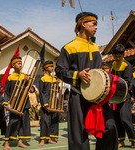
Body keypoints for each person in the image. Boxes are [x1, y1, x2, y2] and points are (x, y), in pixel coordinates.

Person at [55, 12, 118, 150]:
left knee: (109, 127)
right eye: (93, 24)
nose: (96, 27)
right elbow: (59, 70)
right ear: (83, 24)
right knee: (79, 134)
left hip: (98, 96)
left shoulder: (95, 47)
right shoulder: (69, 47)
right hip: (78, 95)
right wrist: (77, 74)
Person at [2, 57, 31, 150]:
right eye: (18, 63)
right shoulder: (10, 77)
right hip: (15, 104)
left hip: (25, 103)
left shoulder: (25, 76)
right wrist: (5, 102)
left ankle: (20, 142)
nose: (20, 64)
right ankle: (6, 143)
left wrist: (27, 81)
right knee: (13, 122)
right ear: (13, 65)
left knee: (23, 123)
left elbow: (28, 88)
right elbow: (6, 91)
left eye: (21, 63)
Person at [111, 44, 135, 148]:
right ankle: (121, 140)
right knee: (117, 119)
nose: (117, 58)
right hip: (116, 96)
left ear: (123, 55)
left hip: (125, 95)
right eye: (116, 56)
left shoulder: (127, 66)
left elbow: (129, 82)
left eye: (119, 56)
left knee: (125, 118)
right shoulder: (113, 64)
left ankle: (133, 140)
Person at [38, 60, 60, 146]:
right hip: (46, 103)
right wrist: (45, 104)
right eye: (51, 66)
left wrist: (57, 84)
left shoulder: (54, 79)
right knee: (45, 121)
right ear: (46, 68)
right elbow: (41, 92)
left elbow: (57, 91)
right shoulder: (42, 78)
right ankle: (43, 139)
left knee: (52, 121)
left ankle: (50, 138)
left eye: (52, 66)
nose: (52, 68)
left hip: (54, 102)